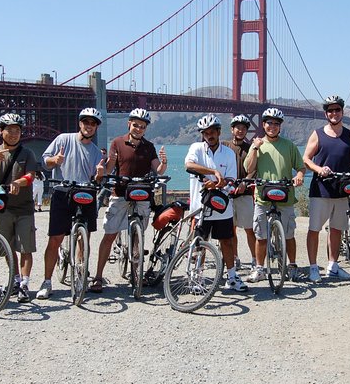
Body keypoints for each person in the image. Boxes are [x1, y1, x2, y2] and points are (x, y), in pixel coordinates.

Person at [91, 108, 168, 293]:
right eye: (136, 125)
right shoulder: (117, 142)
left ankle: (136, 272)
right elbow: (110, 169)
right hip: (120, 192)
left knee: (138, 236)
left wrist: (164, 163)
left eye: (142, 126)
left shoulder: (149, 147)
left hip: (141, 193)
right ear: (129, 124)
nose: (139, 129)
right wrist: (105, 167)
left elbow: (158, 170)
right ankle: (98, 277)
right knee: (109, 235)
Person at [35, 108, 104, 300]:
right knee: (55, 239)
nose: (89, 126)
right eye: (86, 122)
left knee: (85, 239)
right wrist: (54, 160)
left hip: (85, 193)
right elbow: (45, 162)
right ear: (80, 123)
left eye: (93, 124)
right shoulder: (63, 139)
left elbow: (97, 180)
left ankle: (81, 273)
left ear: (96, 127)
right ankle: (47, 282)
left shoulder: (97, 153)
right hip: (62, 193)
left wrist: (99, 175)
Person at [0, 113, 38, 303]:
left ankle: (25, 284)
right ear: (0, 131)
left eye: (17, 130)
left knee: (26, 247)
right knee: (7, 248)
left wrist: (19, 181)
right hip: (3, 209)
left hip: (24, 208)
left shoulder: (27, 153)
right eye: (9, 130)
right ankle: (15, 280)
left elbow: (31, 175)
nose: (13, 134)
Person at [303, 96, 350, 282]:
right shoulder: (318, 134)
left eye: (337, 110)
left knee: (337, 229)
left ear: (342, 112)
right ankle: (314, 267)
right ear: (326, 114)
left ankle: (333, 266)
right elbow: (306, 159)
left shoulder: (349, 135)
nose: (334, 113)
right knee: (314, 229)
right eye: (330, 110)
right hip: (321, 189)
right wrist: (318, 169)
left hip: (342, 189)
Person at [244, 108, 306, 283]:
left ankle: (292, 266)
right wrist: (255, 148)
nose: (272, 126)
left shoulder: (289, 146)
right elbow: (249, 169)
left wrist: (299, 175)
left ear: (280, 126)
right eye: (269, 123)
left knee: (289, 235)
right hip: (263, 196)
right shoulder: (257, 145)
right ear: (263, 125)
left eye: (276, 124)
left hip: (284, 195)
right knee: (261, 236)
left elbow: (301, 167)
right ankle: (260, 269)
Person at [186, 115, 246, 291]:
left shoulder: (228, 153)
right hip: (200, 206)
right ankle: (197, 277)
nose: (209, 135)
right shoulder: (196, 148)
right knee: (199, 242)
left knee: (226, 241)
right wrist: (213, 171)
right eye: (205, 133)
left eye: (212, 132)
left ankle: (232, 278)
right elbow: (188, 165)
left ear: (219, 132)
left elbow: (231, 179)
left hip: (222, 206)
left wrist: (220, 182)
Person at [222, 114, 257, 270]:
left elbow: (254, 169)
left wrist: (245, 182)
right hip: (227, 195)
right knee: (231, 230)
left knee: (250, 229)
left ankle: (256, 259)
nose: (241, 130)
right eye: (238, 128)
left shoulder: (251, 148)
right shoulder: (224, 146)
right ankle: (234, 257)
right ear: (232, 129)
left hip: (245, 194)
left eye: (244, 128)